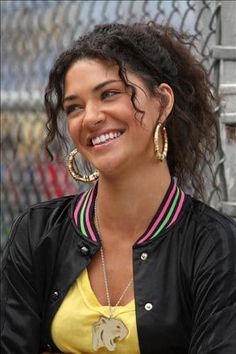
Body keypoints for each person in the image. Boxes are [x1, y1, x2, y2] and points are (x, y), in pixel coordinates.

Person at [1, 22, 236, 354]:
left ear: (163, 102)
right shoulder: (38, 233)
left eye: (109, 94)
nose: (91, 117)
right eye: (74, 107)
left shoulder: (214, 245)